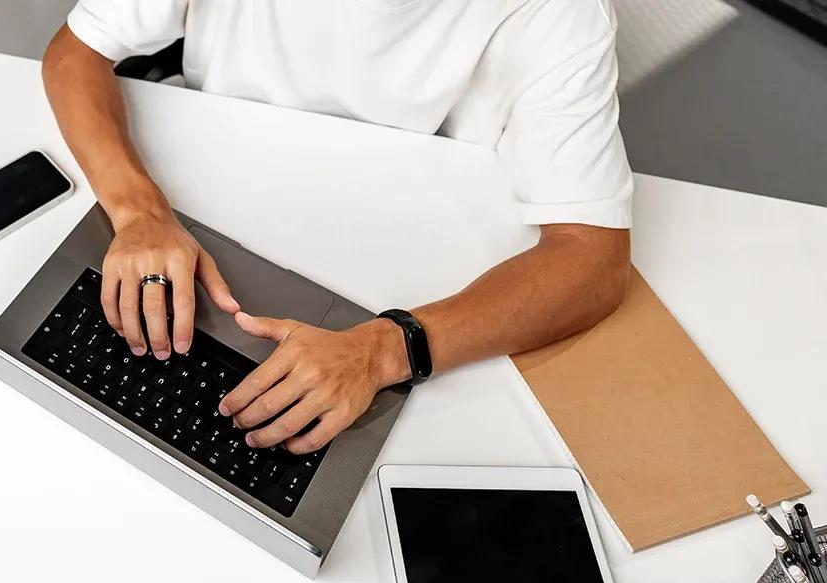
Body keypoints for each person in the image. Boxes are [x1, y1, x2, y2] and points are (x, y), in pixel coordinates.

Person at [41, 0, 632, 456]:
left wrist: (381, 353)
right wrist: (140, 213)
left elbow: (594, 258)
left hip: (401, 268)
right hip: (201, 192)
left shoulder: (562, 14)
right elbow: (77, 53)